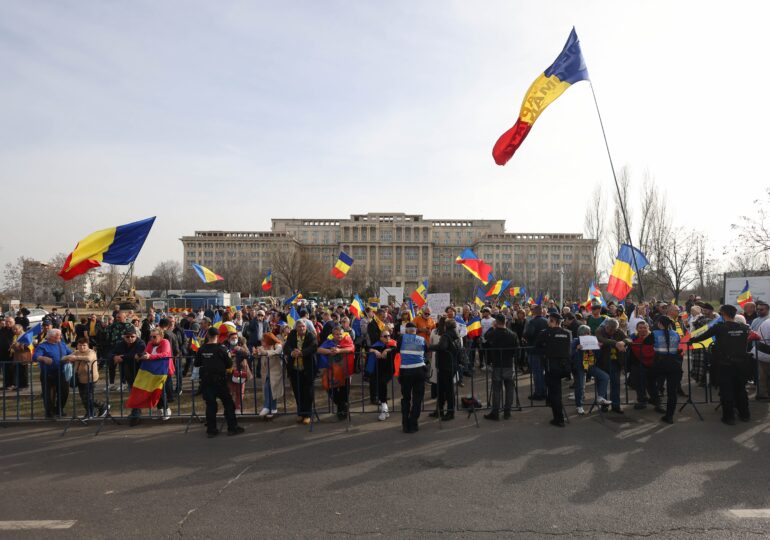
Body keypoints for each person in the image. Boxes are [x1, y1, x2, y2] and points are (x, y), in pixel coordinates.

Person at [691, 304, 751, 425]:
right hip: (741, 364)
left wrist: (690, 341)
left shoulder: (720, 327)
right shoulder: (744, 328)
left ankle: (728, 417)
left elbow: (702, 337)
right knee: (740, 389)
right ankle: (745, 415)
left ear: (723, 314)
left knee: (726, 390)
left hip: (725, 364)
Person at [194, 327, 244, 437]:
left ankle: (211, 430)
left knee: (210, 405)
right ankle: (232, 428)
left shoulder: (202, 349)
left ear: (207, 336)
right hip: (220, 381)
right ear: (217, 336)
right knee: (228, 403)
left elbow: (197, 363)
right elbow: (229, 364)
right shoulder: (221, 348)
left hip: (206, 381)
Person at [535, 313, 572, 427]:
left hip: (552, 366)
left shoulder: (546, 333)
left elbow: (537, 345)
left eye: (549, 320)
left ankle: (559, 418)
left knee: (555, 393)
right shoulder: (567, 333)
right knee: (557, 392)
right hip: (564, 366)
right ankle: (556, 411)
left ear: (553, 321)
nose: (548, 322)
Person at [484, 314, 519, 420]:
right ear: (505, 322)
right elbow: (516, 349)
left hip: (497, 364)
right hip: (508, 364)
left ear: (496, 322)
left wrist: (493, 327)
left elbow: (486, 336)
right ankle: (507, 412)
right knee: (509, 389)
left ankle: (495, 413)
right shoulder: (512, 334)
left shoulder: (493, 333)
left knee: (497, 389)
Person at [649, 316, 683, 424]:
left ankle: (656, 399)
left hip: (660, 363)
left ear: (659, 324)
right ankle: (669, 416)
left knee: (649, 380)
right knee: (672, 392)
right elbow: (678, 347)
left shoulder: (655, 333)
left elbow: (645, 342)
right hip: (674, 364)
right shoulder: (676, 334)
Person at [63, 338, 108, 419]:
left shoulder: (91, 352)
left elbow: (89, 358)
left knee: (88, 397)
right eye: (80, 345)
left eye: (84, 345)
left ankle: (103, 406)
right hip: (80, 378)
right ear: (77, 346)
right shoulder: (76, 352)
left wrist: (75, 358)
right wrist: (68, 357)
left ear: (88, 346)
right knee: (83, 397)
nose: (82, 347)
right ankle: (90, 412)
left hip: (91, 379)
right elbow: (63, 358)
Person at [32, 329, 72, 418]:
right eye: (58, 335)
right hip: (48, 374)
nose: (61, 337)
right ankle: (49, 412)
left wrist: (71, 357)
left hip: (62, 373)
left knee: (64, 392)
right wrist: (43, 358)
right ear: (51, 336)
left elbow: (70, 353)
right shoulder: (43, 346)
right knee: (49, 394)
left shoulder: (61, 344)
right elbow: (35, 357)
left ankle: (59, 409)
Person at [318, 325, 355, 420]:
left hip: (345, 371)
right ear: (333, 335)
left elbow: (351, 348)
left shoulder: (347, 340)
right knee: (330, 390)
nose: (339, 336)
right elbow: (319, 349)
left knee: (344, 392)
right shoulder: (328, 342)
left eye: (340, 334)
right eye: (337, 334)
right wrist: (330, 351)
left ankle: (342, 412)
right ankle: (341, 406)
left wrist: (339, 350)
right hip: (332, 371)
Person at [284, 320, 318, 424]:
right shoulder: (292, 335)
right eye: (299, 327)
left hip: (307, 368)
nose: (301, 328)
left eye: (303, 326)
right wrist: (292, 352)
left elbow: (314, 346)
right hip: (294, 368)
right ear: (296, 328)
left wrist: (302, 353)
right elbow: (287, 346)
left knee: (308, 393)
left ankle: (307, 414)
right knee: (297, 391)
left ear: (306, 327)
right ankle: (300, 413)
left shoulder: (311, 335)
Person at [572, 325, 611, 415]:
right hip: (579, 366)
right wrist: (576, 349)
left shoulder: (593, 341)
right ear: (581, 334)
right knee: (580, 386)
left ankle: (600, 397)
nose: (589, 334)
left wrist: (598, 347)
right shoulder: (575, 341)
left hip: (590, 365)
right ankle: (579, 406)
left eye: (589, 332)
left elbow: (597, 355)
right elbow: (570, 353)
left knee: (605, 377)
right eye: (587, 333)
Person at [397, 322, 428, 433]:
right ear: (416, 330)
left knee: (406, 398)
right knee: (417, 399)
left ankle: (405, 424)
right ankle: (413, 423)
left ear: (406, 330)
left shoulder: (401, 338)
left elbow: (396, 349)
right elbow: (426, 351)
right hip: (419, 371)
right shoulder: (422, 339)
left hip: (406, 372)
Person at [428, 317, 461, 421]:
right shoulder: (457, 336)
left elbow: (442, 347)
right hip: (451, 365)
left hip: (445, 365)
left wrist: (430, 347)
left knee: (447, 390)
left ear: (446, 326)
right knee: (442, 388)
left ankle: (450, 412)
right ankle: (439, 410)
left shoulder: (446, 336)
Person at [595, 318, 629, 414]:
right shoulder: (599, 330)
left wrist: (623, 342)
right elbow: (601, 339)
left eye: (614, 331)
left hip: (615, 361)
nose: (611, 332)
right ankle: (604, 405)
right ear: (606, 326)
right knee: (602, 383)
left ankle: (616, 405)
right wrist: (616, 343)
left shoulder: (619, 331)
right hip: (602, 361)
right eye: (610, 330)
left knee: (616, 384)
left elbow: (628, 338)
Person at [366, 329, 396, 421]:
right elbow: (369, 349)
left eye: (389, 336)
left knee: (382, 383)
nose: (387, 338)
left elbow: (396, 349)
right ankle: (384, 407)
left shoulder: (392, 345)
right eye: (385, 336)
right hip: (377, 370)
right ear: (380, 338)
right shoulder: (377, 345)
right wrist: (375, 351)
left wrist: (387, 350)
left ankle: (384, 407)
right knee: (379, 386)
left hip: (388, 370)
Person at [523, 305, 548, 401]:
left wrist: (525, 336)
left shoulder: (532, 322)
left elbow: (528, 334)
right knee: (542, 372)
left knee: (537, 372)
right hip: (544, 350)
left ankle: (539, 393)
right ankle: (544, 391)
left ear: (534, 312)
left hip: (534, 350)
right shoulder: (547, 321)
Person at [627, 320, 655, 410]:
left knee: (652, 384)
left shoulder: (653, 337)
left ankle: (656, 401)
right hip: (637, 364)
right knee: (639, 384)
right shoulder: (633, 338)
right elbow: (627, 340)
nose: (643, 329)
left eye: (644, 327)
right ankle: (642, 400)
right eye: (640, 328)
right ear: (637, 329)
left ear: (648, 328)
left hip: (652, 364)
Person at [255, 332, 283, 418]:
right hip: (266, 372)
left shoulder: (277, 345)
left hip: (275, 371)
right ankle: (272, 408)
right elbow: (258, 355)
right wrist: (255, 353)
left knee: (271, 388)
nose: (262, 342)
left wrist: (266, 352)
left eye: (263, 340)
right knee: (269, 389)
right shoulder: (262, 347)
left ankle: (267, 407)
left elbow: (277, 352)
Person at [225, 331, 252, 413]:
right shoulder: (225, 346)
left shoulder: (242, 345)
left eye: (236, 338)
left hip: (241, 371)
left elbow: (248, 355)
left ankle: (238, 408)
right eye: (232, 338)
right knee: (230, 391)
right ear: (229, 339)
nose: (234, 339)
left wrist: (241, 349)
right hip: (229, 372)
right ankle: (230, 408)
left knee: (240, 391)